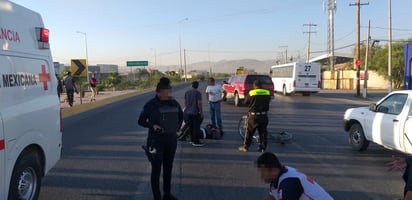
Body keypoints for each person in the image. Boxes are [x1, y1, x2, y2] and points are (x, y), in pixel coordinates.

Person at [138, 77, 183, 200]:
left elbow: (181, 117)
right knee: (156, 170)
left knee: (168, 169)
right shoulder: (150, 105)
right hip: (156, 142)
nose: (168, 94)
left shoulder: (173, 103)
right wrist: (152, 125)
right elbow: (141, 121)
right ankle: (157, 197)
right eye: (166, 92)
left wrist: (177, 129)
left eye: (169, 92)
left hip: (171, 141)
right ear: (158, 92)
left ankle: (167, 194)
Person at [256, 152, 334, 200]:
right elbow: (271, 197)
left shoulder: (289, 184)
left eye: (263, 172)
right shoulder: (280, 175)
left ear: (274, 170)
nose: (261, 175)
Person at [238, 80, 271, 153]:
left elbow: (246, 102)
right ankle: (262, 148)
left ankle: (246, 147)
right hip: (264, 115)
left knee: (249, 132)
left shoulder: (252, 93)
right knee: (263, 132)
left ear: (254, 86)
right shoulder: (267, 92)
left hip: (254, 116)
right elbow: (269, 100)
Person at [183, 81, 204, 146]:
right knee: (196, 127)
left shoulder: (187, 92)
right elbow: (199, 103)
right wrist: (201, 112)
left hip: (188, 112)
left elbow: (185, 102)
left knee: (191, 126)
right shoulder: (198, 93)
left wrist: (187, 108)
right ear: (197, 86)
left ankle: (192, 140)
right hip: (195, 112)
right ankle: (196, 141)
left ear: (191, 85)